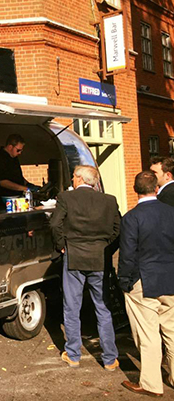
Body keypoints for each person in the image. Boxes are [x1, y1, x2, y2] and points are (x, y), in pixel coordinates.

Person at [50, 165, 120, 371]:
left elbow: (55, 224)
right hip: (100, 257)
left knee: (72, 307)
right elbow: (118, 229)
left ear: (80, 179)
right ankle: (109, 359)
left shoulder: (66, 198)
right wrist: (107, 248)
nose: (72, 180)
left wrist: (62, 245)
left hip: (74, 256)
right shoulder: (109, 200)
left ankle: (73, 355)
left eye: (73, 177)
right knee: (103, 307)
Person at [119, 170, 174, 397]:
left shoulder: (132, 217)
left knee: (148, 334)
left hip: (143, 280)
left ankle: (151, 384)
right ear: (156, 188)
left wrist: (125, 281)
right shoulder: (171, 212)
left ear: (135, 190)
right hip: (170, 277)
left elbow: (128, 254)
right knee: (172, 330)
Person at [0, 134, 36, 206]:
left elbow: (18, 176)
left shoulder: (14, 158)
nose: (19, 153)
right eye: (18, 150)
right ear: (10, 147)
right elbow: (3, 182)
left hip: (17, 198)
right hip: (4, 200)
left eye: (21, 150)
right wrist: (25, 188)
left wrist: (28, 184)